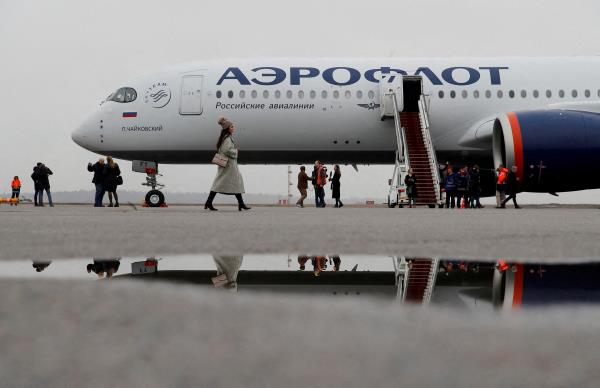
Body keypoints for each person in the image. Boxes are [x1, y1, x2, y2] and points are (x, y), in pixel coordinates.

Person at [204, 117, 250, 211]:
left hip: (227, 164)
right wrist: (236, 151)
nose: (234, 128)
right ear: (228, 128)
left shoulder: (226, 138)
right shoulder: (227, 139)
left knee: (227, 183)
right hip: (228, 165)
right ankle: (240, 204)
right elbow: (226, 150)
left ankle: (240, 204)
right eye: (232, 126)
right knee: (223, 183)